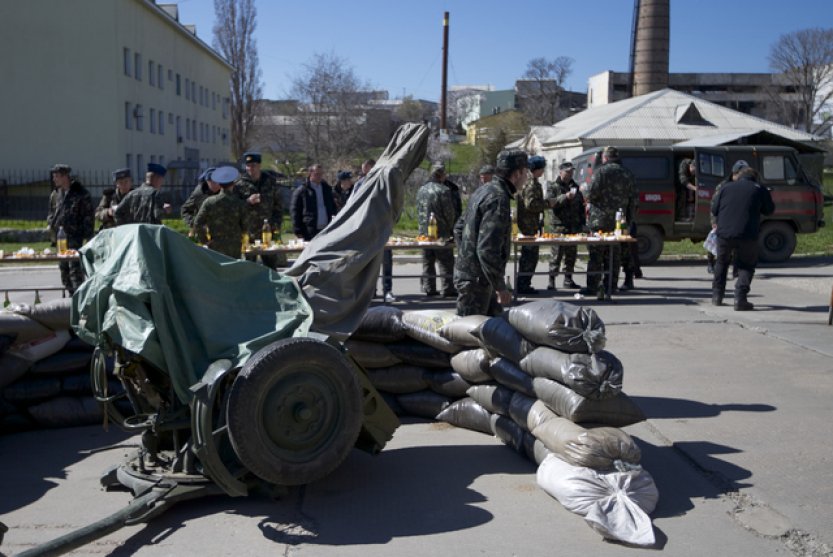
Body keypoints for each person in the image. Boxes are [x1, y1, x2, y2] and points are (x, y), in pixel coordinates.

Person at [453, 149, 528, 316]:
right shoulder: (498, 199)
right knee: (470, 335)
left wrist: (466, 257)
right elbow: (487, 249)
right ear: (517, 173)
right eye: (526, 173)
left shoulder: (484, 190)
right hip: (477, 282)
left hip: (480, 277)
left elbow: (459, 228)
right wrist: (500, 287)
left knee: (494, 332)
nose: (526, 178)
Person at [711, 160, 774, 310]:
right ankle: (740, 299)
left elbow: (714, 210)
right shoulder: (759, 189)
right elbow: (769, 210)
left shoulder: (725, 188)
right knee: (747, 265)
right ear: (755, 177)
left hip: (724, 234)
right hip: (747, 233)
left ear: (739, 176)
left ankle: (717, 296)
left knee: (721, 262)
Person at [580, 146, 636, 299]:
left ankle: (593, 286)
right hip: (619, 221)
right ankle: (611, 285)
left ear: (605, 157)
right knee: (614, 255)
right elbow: (633, 199)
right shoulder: (627, 173)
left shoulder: (601, 172)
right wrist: (629, 221)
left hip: (600, 220)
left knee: (596, 254)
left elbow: (590, 194)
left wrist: (584, 190)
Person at [46, 164, 94, 294]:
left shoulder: (80, 194)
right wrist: (51, 224)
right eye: (54, 176)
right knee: (64, 270)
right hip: (60, 238)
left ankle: (79, 298)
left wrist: (88, 238)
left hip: (75, 238)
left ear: (65, 177)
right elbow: (51, 213)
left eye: (57, 176)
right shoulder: (56, 195)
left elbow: (88, 217)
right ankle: (71, 297)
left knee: (75, 271)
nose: (54, 179)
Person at [236, 152, 285, 268]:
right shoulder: (239, 185)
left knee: (271, 267)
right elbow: (234, 207)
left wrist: (276, 224)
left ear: (259, 166)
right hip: (249, 232)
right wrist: (247, 202)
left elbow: (278, 206)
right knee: (249, 268)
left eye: (253, 165)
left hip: (268, 231)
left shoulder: (270, 182)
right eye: (248, 166)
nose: (250, 168)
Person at [356, 159, 396, 303]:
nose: (365, 174)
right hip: (366, 230)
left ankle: (387, 290)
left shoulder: (385, 186)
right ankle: (369, 291)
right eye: (364, 171)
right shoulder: (360, 185)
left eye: (368, 170)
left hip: (383, 228)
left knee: (386, 261)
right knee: (367, 262)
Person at [417, 163, 457, 297]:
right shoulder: (443, 190)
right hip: (441, 232)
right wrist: (451, 227)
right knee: (445, 262)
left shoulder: (421, 190)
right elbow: (449, 213)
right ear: (440, 175)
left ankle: (429, 288)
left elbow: (419, 211)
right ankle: (448, 288)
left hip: (424, 233)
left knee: (428, 262)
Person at [193, 166, 249, 259]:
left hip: (215, 245)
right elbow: (246, 225)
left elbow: (197, 223)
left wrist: (205, 241)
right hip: (234, 245)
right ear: (233, 183)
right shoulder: (239, 203)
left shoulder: (209, 202)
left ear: (219, 184)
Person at [546, 161, 585, 290]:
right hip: (559, 226)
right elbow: (550, 203)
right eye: (567, 171)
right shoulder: (553, 186)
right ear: (560, 172)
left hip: (573, 226)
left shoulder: (575, 186)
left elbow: (580, 206)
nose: (570, 174)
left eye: (571, 172)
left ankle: (568, 280)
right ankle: (551, 280)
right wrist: (565, 197)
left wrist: (582, 224)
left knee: (571, 254)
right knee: (556, 254)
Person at [516, 155, 550, 294]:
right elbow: (530, 205)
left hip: (531, 224)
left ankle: (524, 283)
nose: (543, 172)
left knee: (529, 256)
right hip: (528, 225)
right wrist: (548, 203)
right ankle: (523, 285)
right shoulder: (531, 184)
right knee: (529, 257)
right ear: (537, 169)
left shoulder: (531, 182)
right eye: (542, 169)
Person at [291, 164, 336, 241]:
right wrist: (297, 229)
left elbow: (332, 206)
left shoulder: (326, 189)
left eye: (321, 174)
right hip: (309, 230)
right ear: (310, 173)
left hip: (326, 228)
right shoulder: (302, 190)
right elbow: (295, 210)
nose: (319, 176)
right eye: (317, 174)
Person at [181, 167, 221, 235]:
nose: (216, 184)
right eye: (213, 182)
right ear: (207, 181)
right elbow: (185, 210)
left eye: (218, 181)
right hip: (203, 233)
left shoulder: (225, 190)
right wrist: (194, 224)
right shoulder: (199, 192)